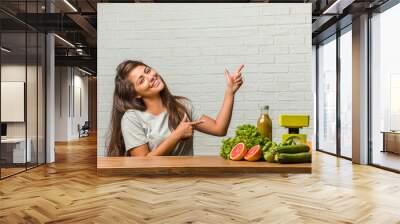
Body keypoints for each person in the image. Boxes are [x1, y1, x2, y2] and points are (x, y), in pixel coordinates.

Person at [107, 60, 244, 157]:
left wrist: (230, 92)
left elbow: (219, 129)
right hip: (151, 189)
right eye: (141, 80)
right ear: (135, 94)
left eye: (148, 71)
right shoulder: (132, 118)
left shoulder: (182, 106)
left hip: (186, 182)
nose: (151, 77)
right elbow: (142, 163)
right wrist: (177, 135)